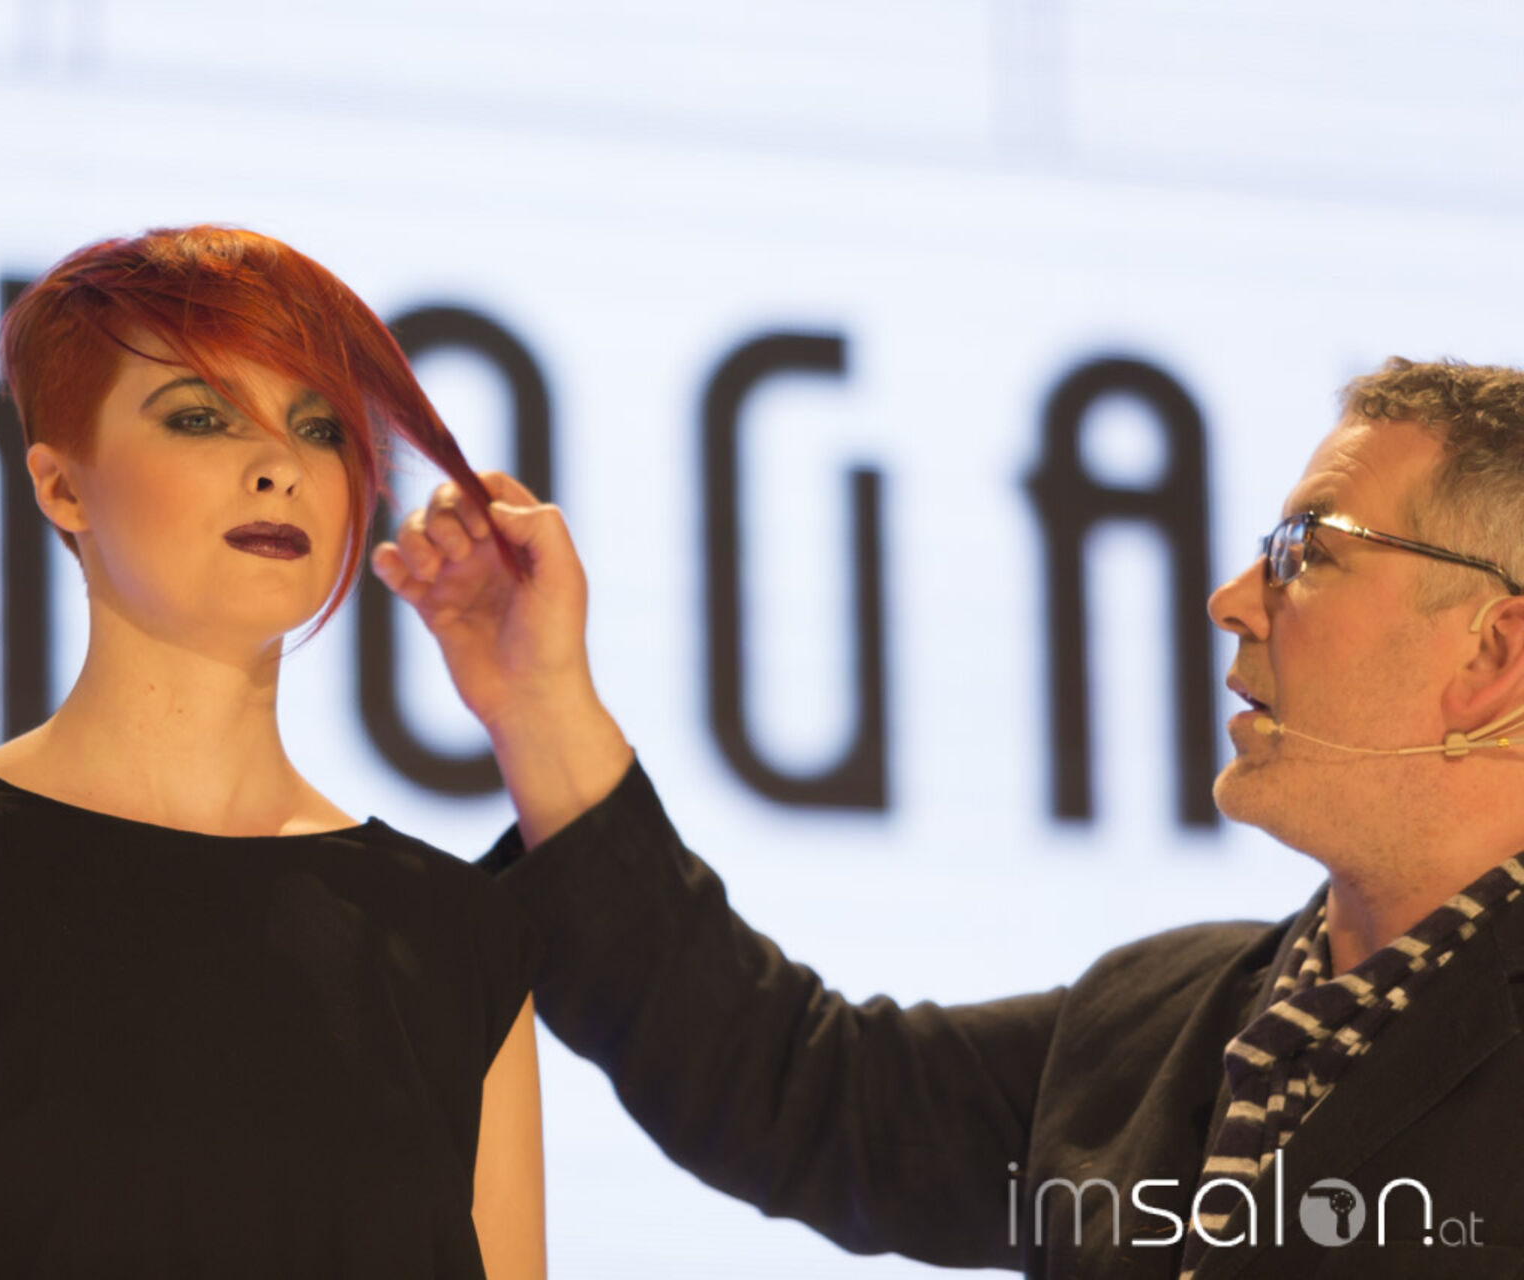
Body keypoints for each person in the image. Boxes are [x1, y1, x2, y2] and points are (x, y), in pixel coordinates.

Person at [371, 356, 1524, 1277]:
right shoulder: (1151, 1022)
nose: (1231, 600)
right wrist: (538, 702)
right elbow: (802, 1089)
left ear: (1492, 652)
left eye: (1305, 552)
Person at [0, 225, 546, 1279]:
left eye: (319, 429)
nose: (279, 468)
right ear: (61, 486)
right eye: (202, 417)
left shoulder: (453, 936)